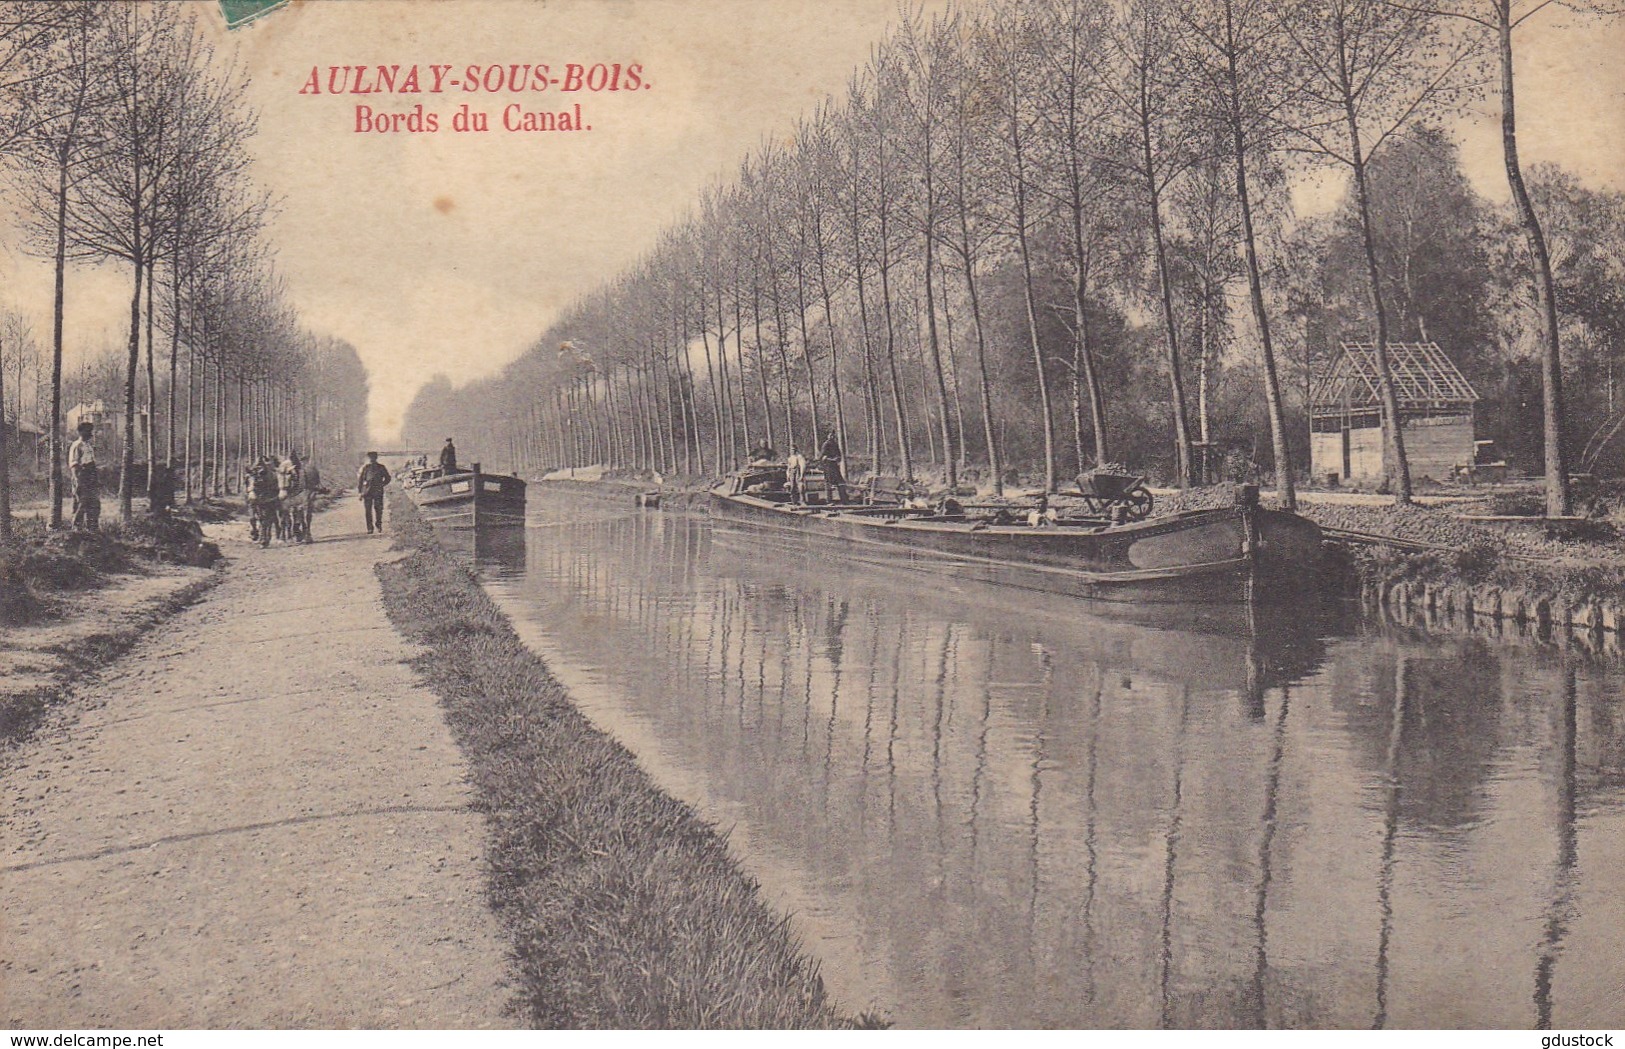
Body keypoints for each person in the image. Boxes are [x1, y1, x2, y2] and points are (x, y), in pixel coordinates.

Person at [68, 420, 100, 531]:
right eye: (88, 431)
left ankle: (92, 529)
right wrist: (78, 482)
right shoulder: (77, 446)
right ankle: (77, 529)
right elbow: (74, 465)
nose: (90, 433)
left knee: (94, 503)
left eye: (91, 431)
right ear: (81, 432)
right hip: (82, 476)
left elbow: (91, 463)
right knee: (82, 503)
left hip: (90, 477)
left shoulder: (89, 446)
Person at [357, 451, 391, 535]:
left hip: (378, 491)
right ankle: (369, 528)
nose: (372, 459)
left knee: (378, 509)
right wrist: (360, 492)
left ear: (376, 458)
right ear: (369, 458)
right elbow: (361, 480)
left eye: (373, 458)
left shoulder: (381, 467)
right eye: (371, 458)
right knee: (368, 511)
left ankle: (378, 525)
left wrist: (382, 484)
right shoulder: (366, 468)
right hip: (367, 492)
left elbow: (388, 478)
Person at [819, 431, 849, 503]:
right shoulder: (825, 445)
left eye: (833, 436)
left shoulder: (835, 444)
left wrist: (837, 459)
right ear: (827, 436)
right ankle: (829, 501)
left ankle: (844, 500)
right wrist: (831, 459)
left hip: (835, 466)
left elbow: (839, 455)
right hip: (828, 466)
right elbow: (822, 457)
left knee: (840, 482)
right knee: (829, 483)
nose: (831, 437)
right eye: (830, 435)